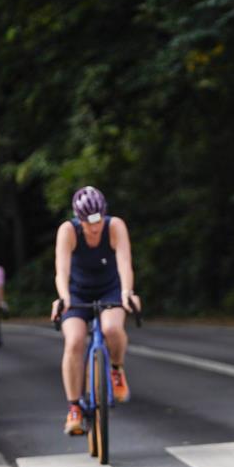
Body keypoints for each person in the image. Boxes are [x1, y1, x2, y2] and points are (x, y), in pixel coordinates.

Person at [51, 186, 141, 435]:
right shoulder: (68, 232)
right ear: (78, 219)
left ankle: (115, 369)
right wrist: (64, 298)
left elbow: (125, 264)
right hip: (77, 292)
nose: (94, 228)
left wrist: (127, 293)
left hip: (109, 289)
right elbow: (62, 271)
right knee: (74, 341)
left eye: (98, 220)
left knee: (112, 328)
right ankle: (74, 408)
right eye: (88, 222)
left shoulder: (115, 227)